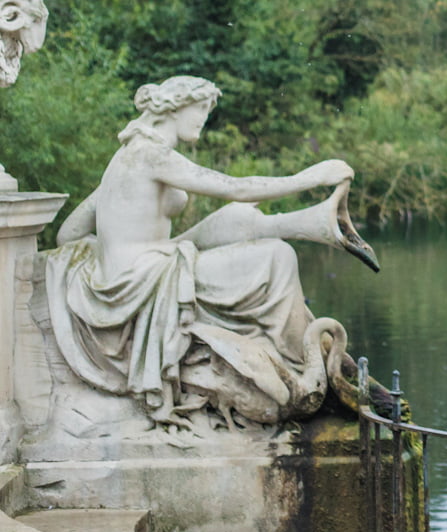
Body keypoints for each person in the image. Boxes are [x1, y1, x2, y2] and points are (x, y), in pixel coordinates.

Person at [45, 75, 378, 426]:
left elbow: (68, 234)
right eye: (201, 108)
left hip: (138, 271)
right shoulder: (151, 154)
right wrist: (311, 177)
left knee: (236, 222)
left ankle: (298, 352)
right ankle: (297, 362)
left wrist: (112, 253)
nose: (204, 118)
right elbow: (236, 187)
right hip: (146, 279)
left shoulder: (127, 156)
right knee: (278, 258)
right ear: (175, 108)